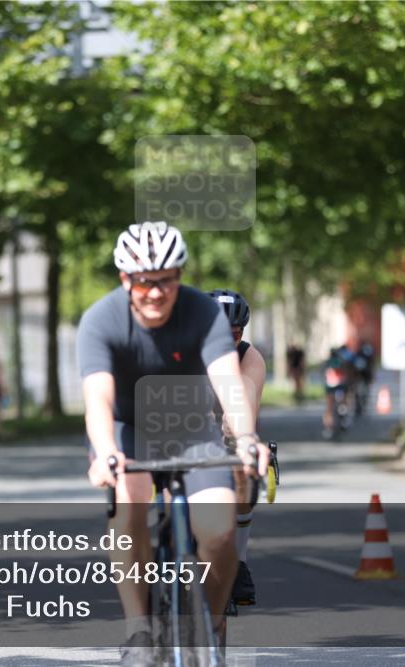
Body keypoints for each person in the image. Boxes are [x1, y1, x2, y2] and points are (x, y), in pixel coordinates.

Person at [77, 222, 269, 666]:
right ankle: (139, 630)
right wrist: (105, 452)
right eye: (145, 281)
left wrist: (245, 438)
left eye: (166, 280)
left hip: (191, 429)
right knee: (129, 506)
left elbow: (228, 381)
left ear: (180, 275)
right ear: (126, 278)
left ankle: (210, 623)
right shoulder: (101, 321)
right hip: (127, 428)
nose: (156, 292)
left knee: (220, 530)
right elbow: (98, 398)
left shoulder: (202, 313)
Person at [208, 289, 267, 610]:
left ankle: (238, 562)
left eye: (235, 334)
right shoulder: (181, 348)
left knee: (243, 474)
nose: (227, 342)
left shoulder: (249, 357)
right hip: (182, 432)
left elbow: (244, 406)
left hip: (227, 435)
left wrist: (238, 433)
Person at [322, 345, 354, 439]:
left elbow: (323, 374)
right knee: (344, 400)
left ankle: (328, 428)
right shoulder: (342, 361)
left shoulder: (327, 362)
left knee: (329, 408)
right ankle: (344, 413)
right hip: (341, 385)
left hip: (330, 387)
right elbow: (347, 373)